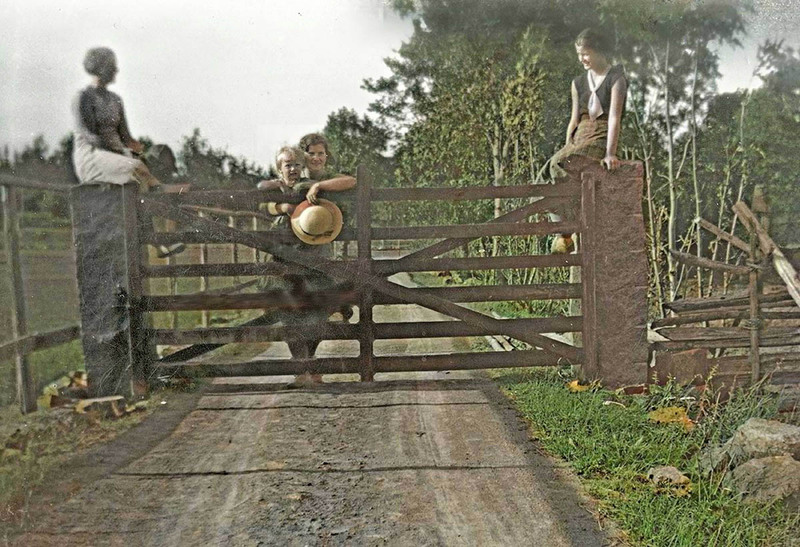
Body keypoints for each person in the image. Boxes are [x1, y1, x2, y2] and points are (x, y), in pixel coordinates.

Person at [71, 46, 184, 258]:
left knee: (139, 177)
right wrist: (125, 153)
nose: (116, 70)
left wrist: (145, 151)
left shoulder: (116, 100)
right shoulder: (83, 97)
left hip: (117, 156)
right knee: (138, 170)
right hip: (92, 156)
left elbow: (127, 137)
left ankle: (157, 240)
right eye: (111, 65)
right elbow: (90, 136)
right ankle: (163, 204)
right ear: (100, 68)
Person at [258, 146, 350, 387]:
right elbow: (260, 201)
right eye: (287, 164)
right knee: (288, 315)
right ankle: (303, 368)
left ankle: (308, 364)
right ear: (279, 169)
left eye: (297, 164)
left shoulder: (307, 186)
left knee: (318, 313)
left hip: (312, 260)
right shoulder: (274, 190)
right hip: (283, 265)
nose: (293, 169)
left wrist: (317, 188)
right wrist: (281, 207)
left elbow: (349, 182)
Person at [549, 28, 628, 253]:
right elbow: (574, 120)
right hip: (580, 135)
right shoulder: (578, 83)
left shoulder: (616, 79)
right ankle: (565, 233)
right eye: (579, 54)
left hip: (601, 135)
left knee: (560, 166)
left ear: (598, 51)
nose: (582, 59)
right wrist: (567, 144)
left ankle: (569, 230)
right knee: (548, 171)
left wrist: (610, 153)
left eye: (585, 53)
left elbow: (614, 117)